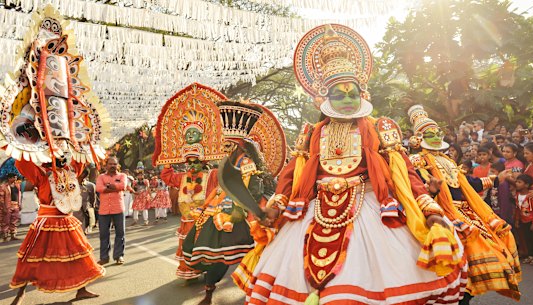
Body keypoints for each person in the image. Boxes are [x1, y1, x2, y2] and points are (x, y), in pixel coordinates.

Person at [243, 24, 467, 305]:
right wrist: (275, 208)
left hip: (370, 207)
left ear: (363, 94)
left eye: (353, 93)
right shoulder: (311, 133)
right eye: (339, 94)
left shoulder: (379, 128)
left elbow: (404, 175)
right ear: (325, 97)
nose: (348, 100)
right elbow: (292, 178)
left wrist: (430, 210)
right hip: (316, 210)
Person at [1, 6, 108, 303]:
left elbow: (80, 155)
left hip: (67, 220)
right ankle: (19, 296)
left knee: (79, 257)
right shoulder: (41, 171)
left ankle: (82, 288)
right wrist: (21, 134)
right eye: (57, 156)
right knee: (30, 261)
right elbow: (23, 161)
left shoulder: (69, 168)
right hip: (46, 222)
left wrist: (79, 137)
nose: (61, 157)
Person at [408, 105, 521, 303]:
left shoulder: (448, 160)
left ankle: (464, 294)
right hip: (440, 212)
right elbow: (415, 189)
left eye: (437, 133)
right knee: (451, 261)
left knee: (484, 250)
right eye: (429, 134)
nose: (435, 137)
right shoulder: (416, 161)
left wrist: (495, 179)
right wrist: (431, 193)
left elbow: (467, 183)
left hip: (466, 213)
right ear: (419, 138)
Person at [183, 101, 286, 305]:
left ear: (239, 146)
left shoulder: (246, 163)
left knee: (257, 254)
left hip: (246, 212)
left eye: (228, 145)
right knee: (217, 255)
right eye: (224, 145)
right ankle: (209, 291)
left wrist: (240, 210)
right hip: (225, 209)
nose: (224, 149)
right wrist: (209, 206)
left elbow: (252, 191)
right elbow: (222, 188)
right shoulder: (230, 163)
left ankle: (257, 294)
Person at [154, 83, 227, 281]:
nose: (191, 165)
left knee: (205, 246)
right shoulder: (183, 176)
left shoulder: (211, 175)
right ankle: (191, 271)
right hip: (187, 220)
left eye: (195, 161)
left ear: (204, 161)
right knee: (188, 245)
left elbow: (223, 181)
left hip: (205, 219)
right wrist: (168, 159)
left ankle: (206, 272)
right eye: (189, 162)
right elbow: (167, 177)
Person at [96, 157, 128, 265]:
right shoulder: (101, 177)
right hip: (104, 210)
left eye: (114, 164)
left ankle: (119, 256)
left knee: (120, 233)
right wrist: (115, 187)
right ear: (106, 165)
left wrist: (109, 187)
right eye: (110, 164)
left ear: (118, 165)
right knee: (104, 234)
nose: (112, 166)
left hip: (118, 208)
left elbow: (123, 186)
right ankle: (104, 257)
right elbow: (99, 188)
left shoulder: (122, 176)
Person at [514, 174, 533, 265]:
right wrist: (517, 220)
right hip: (523, 221)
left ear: (526, 185)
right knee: (527, 239)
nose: (516, 184)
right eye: (516, 182)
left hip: (532, 221)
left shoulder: (530, 196)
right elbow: (518, 209)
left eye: (519, 182)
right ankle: (531, 255)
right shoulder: (517, 195)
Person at [74, 168, 96, 234]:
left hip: (85, 212)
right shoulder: (71, 184)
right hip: (73, 212)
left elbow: (93, 199)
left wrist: (91, 209)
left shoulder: (90, 186)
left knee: (83, 232)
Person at [1, 173, 21, 242]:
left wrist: (19, 204)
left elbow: (19, 195)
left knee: (14, 220)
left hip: (15, 205)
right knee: (5, 221)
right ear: (9, 178)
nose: (15, 179)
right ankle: (5, 236)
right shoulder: (3, 186)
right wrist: (3, 207)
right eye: (14, 177)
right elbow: (1, 198)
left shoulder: (17, 185)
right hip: (7, 205)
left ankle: (13, 235)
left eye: (16, 177)